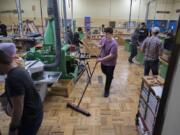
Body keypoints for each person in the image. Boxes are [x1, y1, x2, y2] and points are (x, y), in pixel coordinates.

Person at [0, 43, 43, 135]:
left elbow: (18, 108)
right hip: (36, 113)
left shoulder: (13, 78)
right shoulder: (20, 70)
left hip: (28, 120)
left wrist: (13, 127)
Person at [96, 27, 118, 97]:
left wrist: (100, 60)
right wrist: (100, 46)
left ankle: (106, 91)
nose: (106, 35)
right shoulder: (103, 39)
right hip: (103, 62)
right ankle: (110, 76)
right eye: (105, 33)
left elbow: (111, 56)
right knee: (103, 71)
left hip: (111, 63)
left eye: (107, 34)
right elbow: (99, 45)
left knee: (108, 78)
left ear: (111, 34)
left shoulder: (114, 44)